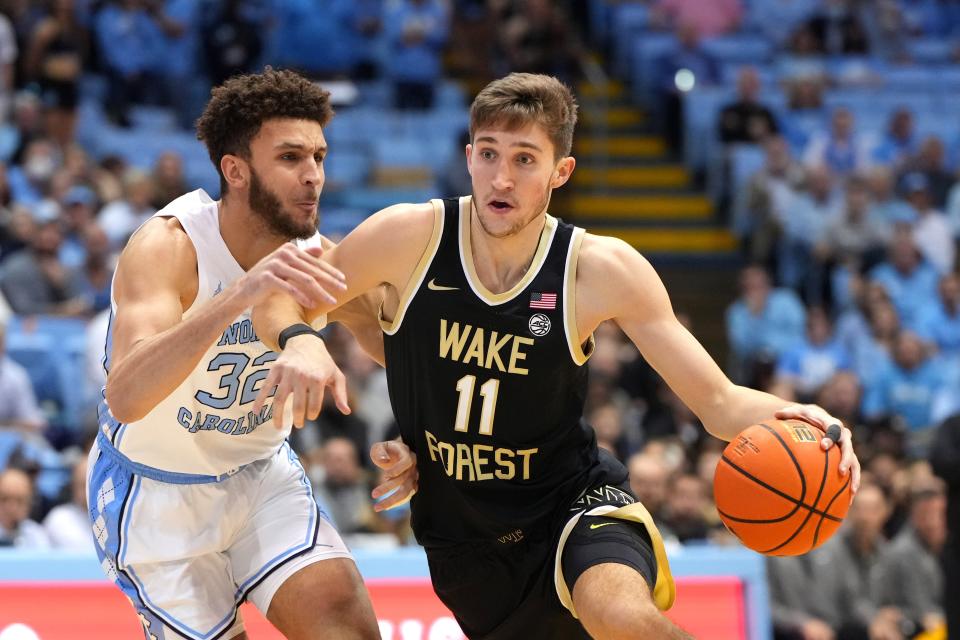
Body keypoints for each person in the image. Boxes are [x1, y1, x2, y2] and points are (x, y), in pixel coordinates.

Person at [253, 73, 861, 640]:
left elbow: (720, 402)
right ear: (468, 157)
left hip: (574, 502)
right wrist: (302, 341)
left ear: (560, 171)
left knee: (619, 614)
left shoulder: (599, 268)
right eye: (488, 153)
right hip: (465, 540)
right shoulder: (406, 237)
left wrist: (810, 418)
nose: (501, 178)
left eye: (524, 159)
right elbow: (279, 297)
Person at [87, 69, 418, 640]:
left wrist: (427, 436)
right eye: (291, 158)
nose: (313, 176)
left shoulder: (320, 256)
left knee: (349, 626)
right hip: (157, 494)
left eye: (318, 156)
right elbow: (126, 396)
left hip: (261, 477)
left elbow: (402, 354)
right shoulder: (169, 246)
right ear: (235, 170)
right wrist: (239, 295)